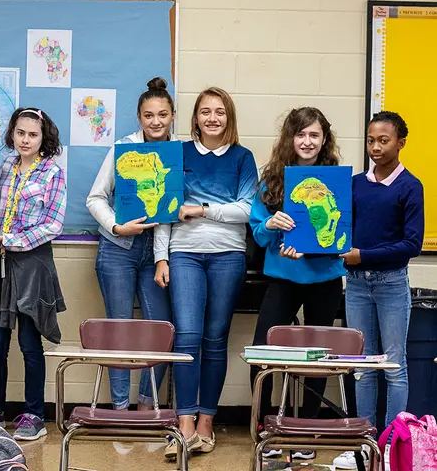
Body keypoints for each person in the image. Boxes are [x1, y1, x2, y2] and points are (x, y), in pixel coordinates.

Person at [154, 87, 257, 460]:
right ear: (195, 117)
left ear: (229, 118)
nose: (213, 118)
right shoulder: (178, 154)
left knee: (215, 339)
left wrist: (202, 209)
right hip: (183, 254)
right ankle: (183, 427)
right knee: (187, 338)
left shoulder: (243, 158)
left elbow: (247, 209)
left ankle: (206, 425)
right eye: (205, 111)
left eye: (220, 112)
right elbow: (164, 209)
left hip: (228, 255)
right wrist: (160, 258)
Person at [248, 107, 345, 462]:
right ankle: (265, 427)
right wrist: (271, 225)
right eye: (300, 134)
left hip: (324, 278)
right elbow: (259, 236)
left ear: (324, 139)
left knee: (318, 358)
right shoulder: (272, 180)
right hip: (284, 277)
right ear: (289, 138)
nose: (307, 141)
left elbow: (342, 236)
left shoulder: (336, 181)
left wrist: (313, 248)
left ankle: (306, 429)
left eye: (314, 135)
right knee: (262, 352)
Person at [333, 111, 424, 470]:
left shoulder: (410, 186)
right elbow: (340, 228)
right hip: (356, 285)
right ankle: (364, 444)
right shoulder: (355, 184)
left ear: (401, 143)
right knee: (363, 366)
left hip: (391, 285)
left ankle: (391, 446)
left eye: (383, 141)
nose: (375, 147)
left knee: (394, 366)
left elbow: (412, 244)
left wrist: (363, 255)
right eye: (371, 140)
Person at [0, 107, 67, 442]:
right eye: (20, 133)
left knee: (30, 342)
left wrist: (10, 240)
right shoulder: (6, 167)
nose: (25, 140)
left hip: (31, 264)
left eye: (33, 134)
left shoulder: (52, 172)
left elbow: (53, 224)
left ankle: (34, 414)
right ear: (12, 134)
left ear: (44, 138)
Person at [85, 77, 173, 412]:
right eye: (149, 115)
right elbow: (95, 198)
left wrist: (162, 257)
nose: (156, 121)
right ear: (139, 117)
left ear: (172, 115)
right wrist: (117, 226)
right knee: (119, 330)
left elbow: (167, 213)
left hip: (156, 253)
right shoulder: (123, 149)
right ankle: (120, 409)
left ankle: (147, 406)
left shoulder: (176, 154)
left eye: (162, 114)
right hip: (118, 249)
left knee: (160, 331)